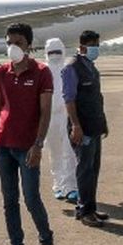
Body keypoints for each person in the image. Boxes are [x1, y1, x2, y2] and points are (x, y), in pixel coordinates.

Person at [0, 23, 61, 245]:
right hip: (4, 146)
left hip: (28, 148)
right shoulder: (1, 73)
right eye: (9, 43)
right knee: (9, 202)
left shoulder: (41, 72)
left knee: (32, 198)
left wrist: (38, 145)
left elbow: (45, 112)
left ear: (28, 45)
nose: (12, 47)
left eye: (18, 43)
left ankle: (47, 244)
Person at [61, 30, 110, 227]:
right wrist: (76, 126)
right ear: (81, 47)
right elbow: (69, 99)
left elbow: (97, 97)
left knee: (93, 169)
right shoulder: (72, 68)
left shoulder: (91, 67)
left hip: (95, 125)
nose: (95, 49)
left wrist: (103, 122)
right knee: (85, 169)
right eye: (92, 46)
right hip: (82, 126)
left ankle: (90, 207)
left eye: (97, 45)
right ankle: (84, 209)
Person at [42, 37, 78, 203]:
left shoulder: (69, 69)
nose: (55, 55)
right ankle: (58, 186)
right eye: (51, 52)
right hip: (49, 118)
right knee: (55, 153)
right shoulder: (43, 71)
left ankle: (71, 187)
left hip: (66, 116)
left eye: (57, 52)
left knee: (69, 153)